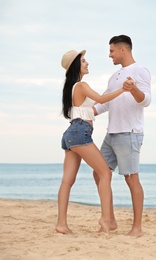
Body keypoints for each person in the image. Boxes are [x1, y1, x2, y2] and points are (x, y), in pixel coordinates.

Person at [56, 49, 131, 234]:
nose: (87, 63)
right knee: (105, 173)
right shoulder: (81, 86)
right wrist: (123, 89)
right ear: (76, 66)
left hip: (71, 133)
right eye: (83, 61)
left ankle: (61, 224)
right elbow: (101, 99)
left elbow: (92, 106)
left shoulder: (70, 87)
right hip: (80, 132)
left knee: (67, 181)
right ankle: (107, 222)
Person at [93, 35, 151, 237]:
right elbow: (105, 102)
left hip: (129, 132)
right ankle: (110, 220)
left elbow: (146, 100)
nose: (110, 55)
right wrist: (85, 112)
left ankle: (137, 228)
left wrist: (133, 88)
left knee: (131, 179)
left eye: (112, 51)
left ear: (123, 50)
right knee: (98, 172)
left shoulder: (139, 70)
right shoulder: (114, 76)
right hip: (112, 133)